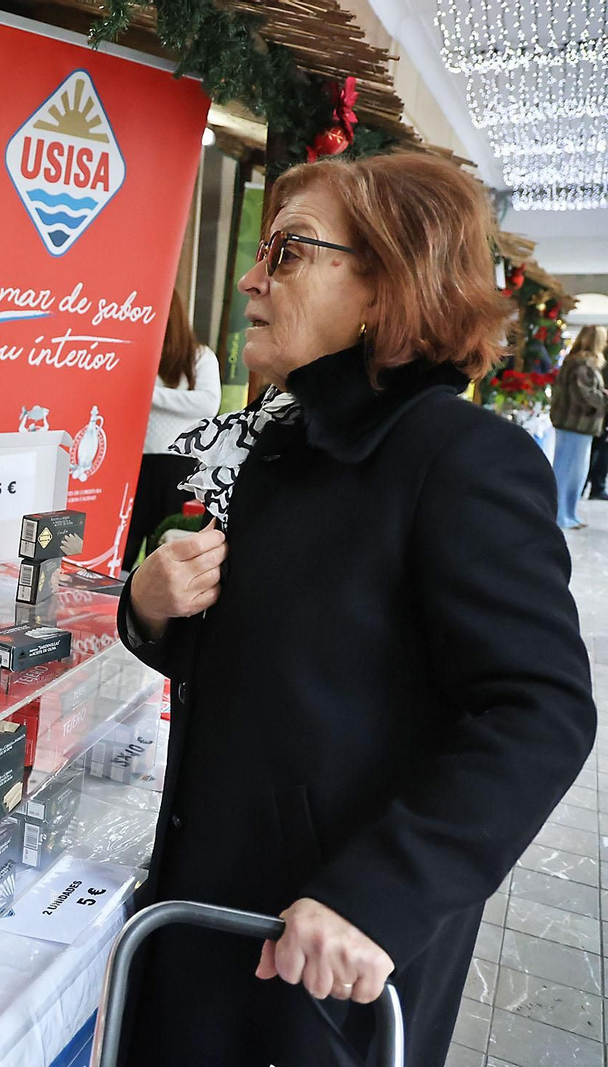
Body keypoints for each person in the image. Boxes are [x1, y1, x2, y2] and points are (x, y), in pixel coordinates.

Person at [118, 151, 594, 1066]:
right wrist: (150, 607)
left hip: (324, 965)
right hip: (210, 909)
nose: (252, 279)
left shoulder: (460, 459)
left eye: (289, 252)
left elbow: (541, 711)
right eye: (263, 252)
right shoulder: (283, 449)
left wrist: (376, 895)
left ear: (388, 279)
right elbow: (267, 668)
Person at [123, 290, 221, 568]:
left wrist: (149, 394)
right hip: (133, 463)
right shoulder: (137, 354)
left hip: (178, 465)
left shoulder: (199, 356)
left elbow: (208, 403)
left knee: (165, 553)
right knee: (124, 550)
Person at [550, 325, 607, 528]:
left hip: (577, 423)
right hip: (576, 422)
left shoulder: (578, 361)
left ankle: (568, 513)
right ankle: (561, 516)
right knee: (568, 470)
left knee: (575, 471)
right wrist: (604, 398)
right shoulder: (583, 363)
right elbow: (583, 393)